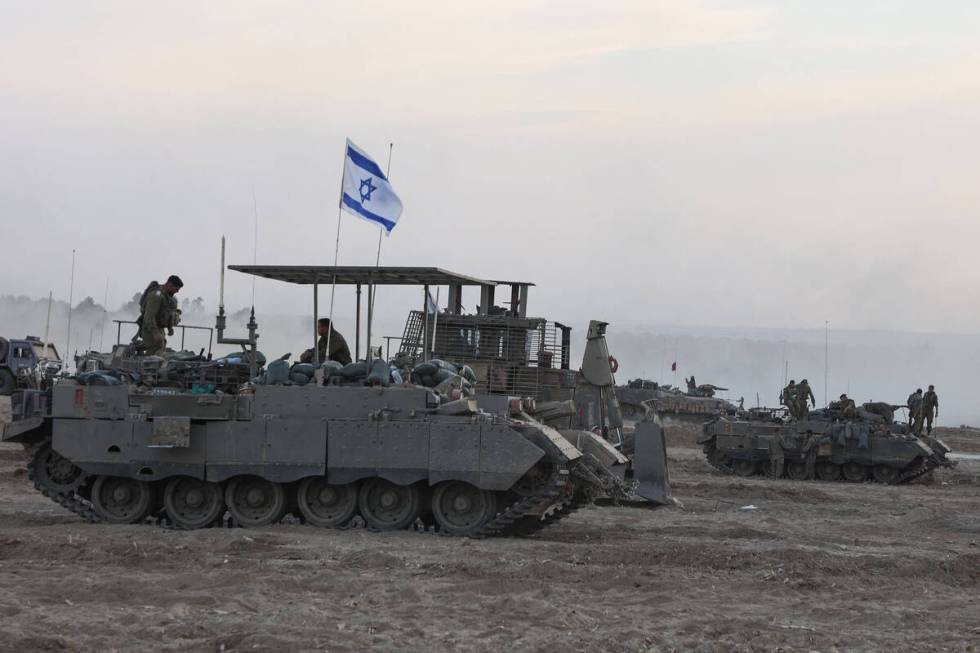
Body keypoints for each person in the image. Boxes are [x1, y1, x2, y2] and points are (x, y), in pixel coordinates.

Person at [136, 275, 183, 355]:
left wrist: (169, 327)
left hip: (159, 327)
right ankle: (147, 366)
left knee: (161, 347)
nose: (177, 291)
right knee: (155, 349)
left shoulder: (166, 296)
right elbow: (149, 316)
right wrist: (155, 333)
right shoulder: (156, 296)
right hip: (149, 328)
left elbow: (167, 313)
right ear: (170, 285)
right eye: (176, 289)